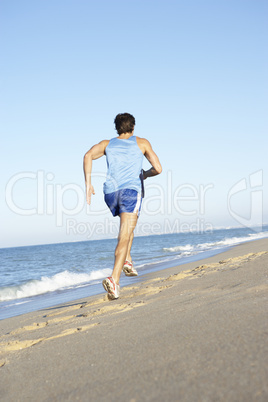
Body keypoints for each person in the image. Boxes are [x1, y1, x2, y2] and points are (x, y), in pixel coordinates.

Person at [83, 113, 162, 300]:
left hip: (110, 193)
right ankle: (114, 280)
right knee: (124, 235)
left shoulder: (107, 144)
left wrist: (88, 183)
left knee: (128, 227)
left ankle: (128, 260)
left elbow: (87, 156)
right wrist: (145, 174)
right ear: (133, 128)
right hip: (130, 192)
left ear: (116, 128)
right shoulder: (141, 142)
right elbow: (158, 168)